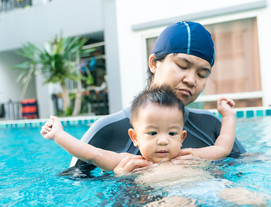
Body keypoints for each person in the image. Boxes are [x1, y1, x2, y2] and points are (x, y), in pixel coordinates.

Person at [64, 21, 246, 176]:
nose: (191, 80)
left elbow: (249, 169)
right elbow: (71, 186)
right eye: (182, 66)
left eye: (202, 74)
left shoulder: (212, 126)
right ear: (153, 64)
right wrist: (121, 180)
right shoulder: (106, 130)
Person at [41, 86, 237, 174]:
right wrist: (59, 135)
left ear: (182, 137)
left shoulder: (190, 155)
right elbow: (92, 154)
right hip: (165, 203)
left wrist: (228, 116)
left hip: (207, 189)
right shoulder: (130, 162)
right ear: (134, 137)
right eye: (152, 133)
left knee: (249, 198)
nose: (163, 141)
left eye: (172, 133)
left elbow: (223, 148)